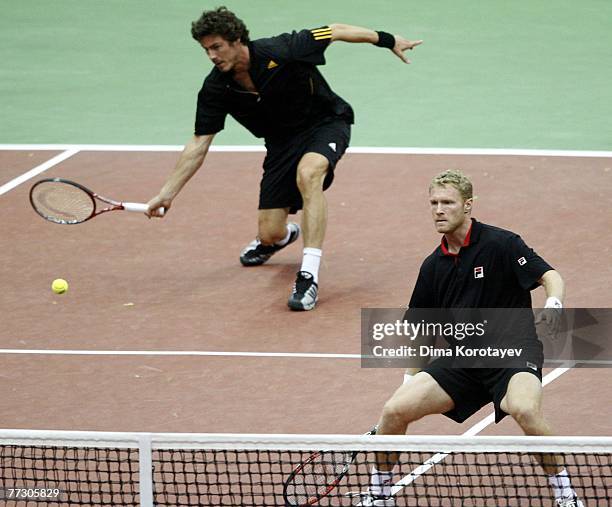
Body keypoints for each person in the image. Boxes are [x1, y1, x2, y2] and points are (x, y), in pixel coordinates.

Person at [146, 7, 422, 311]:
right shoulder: (216, 88)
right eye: (206, 50)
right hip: (280, 145)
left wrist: (387, 39)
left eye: (216, 47)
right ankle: (280, 238)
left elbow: (334, 30)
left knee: (309, 173)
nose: (211, 55)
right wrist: (167, 193)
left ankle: (308, 275)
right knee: (270, 231)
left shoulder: (284, 48)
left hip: (325, 123)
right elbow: (200, 143)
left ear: (237, 40)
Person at [360, 170, 582, 507]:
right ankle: (380, 495)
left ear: (467, 205)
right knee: (393, 411)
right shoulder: (433, 266)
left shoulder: (501, 244)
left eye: (447, 202)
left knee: (523, 408)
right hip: (464, 360)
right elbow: (423, 330)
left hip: (512, 354)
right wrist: (408, 379)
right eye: (433, 202)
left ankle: (566, 494)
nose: (438, 210)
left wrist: (554, 303)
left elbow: (549, 276)